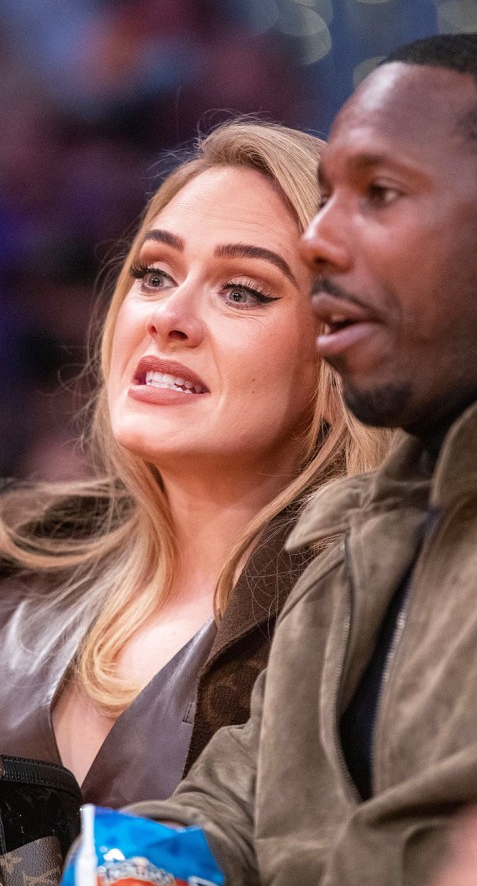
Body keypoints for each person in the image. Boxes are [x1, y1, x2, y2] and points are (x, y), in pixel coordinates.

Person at [128, 34, 477, 885]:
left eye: (379, 195)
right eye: (324, 201)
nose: (316, 241)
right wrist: (117, 869)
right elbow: (222, 818)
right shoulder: (355, 530)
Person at [0, 119, 388, 808]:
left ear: (342, 366)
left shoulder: (380, 639)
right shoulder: (17, 570)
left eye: (242, 290)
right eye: (154, 274)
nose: (169, 317)